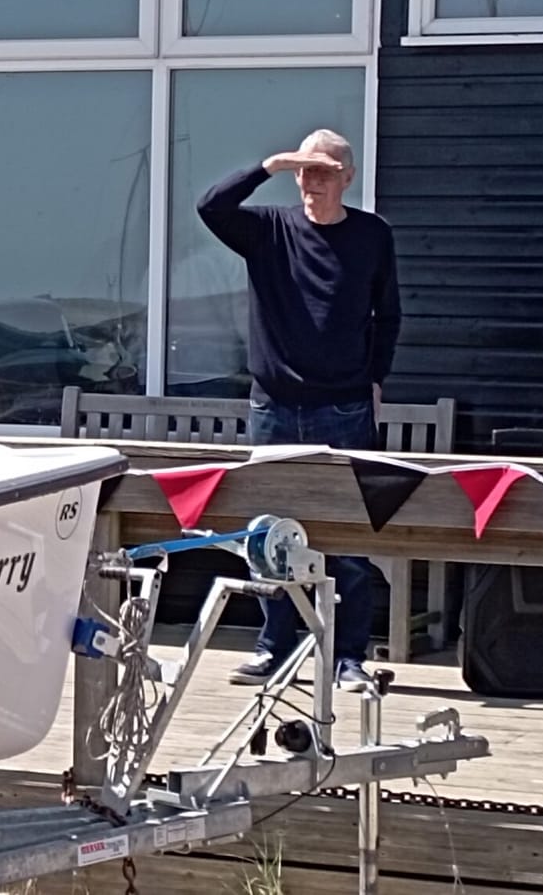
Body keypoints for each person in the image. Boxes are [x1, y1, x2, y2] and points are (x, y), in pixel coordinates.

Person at [196, 129, 400, 693]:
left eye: (324, 171)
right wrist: (270, 165)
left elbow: (388, 314)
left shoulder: (371, 235)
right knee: (269, 535)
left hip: (344, 406)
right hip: (275, 407)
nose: (312, 182)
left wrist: (376, 378)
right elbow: (211, 206)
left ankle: (348, 657)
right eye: (304, 172)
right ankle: (273, 647)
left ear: (348, 178)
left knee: (348, 539)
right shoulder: (268, 229)